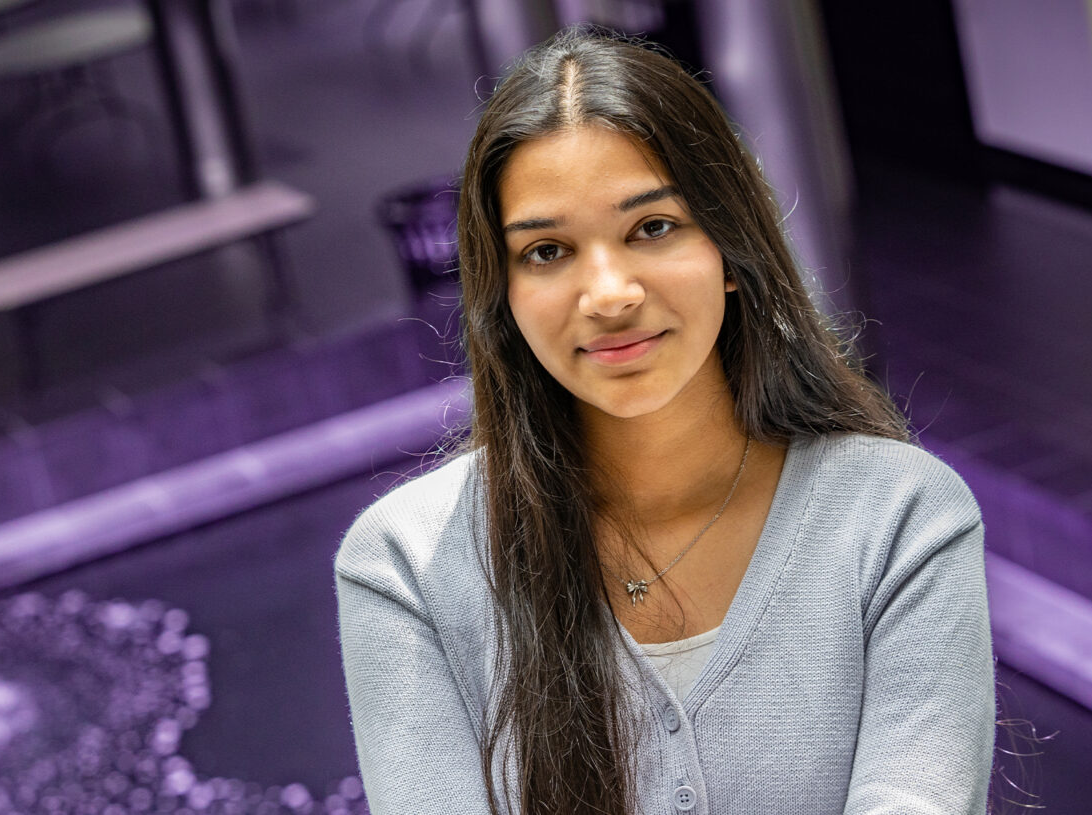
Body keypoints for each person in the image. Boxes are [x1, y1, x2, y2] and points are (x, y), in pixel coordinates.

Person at [334, 25, 995, 815]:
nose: (608, 292)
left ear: (731, 251)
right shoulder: (404, 563)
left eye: (652, 228)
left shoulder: (902, 516)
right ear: (502, 298)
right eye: (547, 250)